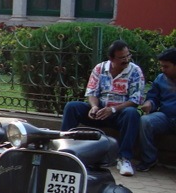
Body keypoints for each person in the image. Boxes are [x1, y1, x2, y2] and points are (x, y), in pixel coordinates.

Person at [61, 40, 144, 176]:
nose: (126, 60)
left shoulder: (135, 71)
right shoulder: (100, 68)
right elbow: (92, 92)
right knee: (72, 107)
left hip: (119, 114)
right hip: (99, 111)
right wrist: (94, 107)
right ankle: (64, 148)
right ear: (111, 58)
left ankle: (124, 158)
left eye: (128, 56)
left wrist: (113, 110)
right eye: (122, 57)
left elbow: (136, 100)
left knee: (132, 113)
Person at [135, 47, 176, 172]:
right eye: (162, 66)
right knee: (145, 121)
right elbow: (153, 98)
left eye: (166, 66)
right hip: (166, 117)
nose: (163, 69)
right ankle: (149, 159)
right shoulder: (160, 78)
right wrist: (149, 103)